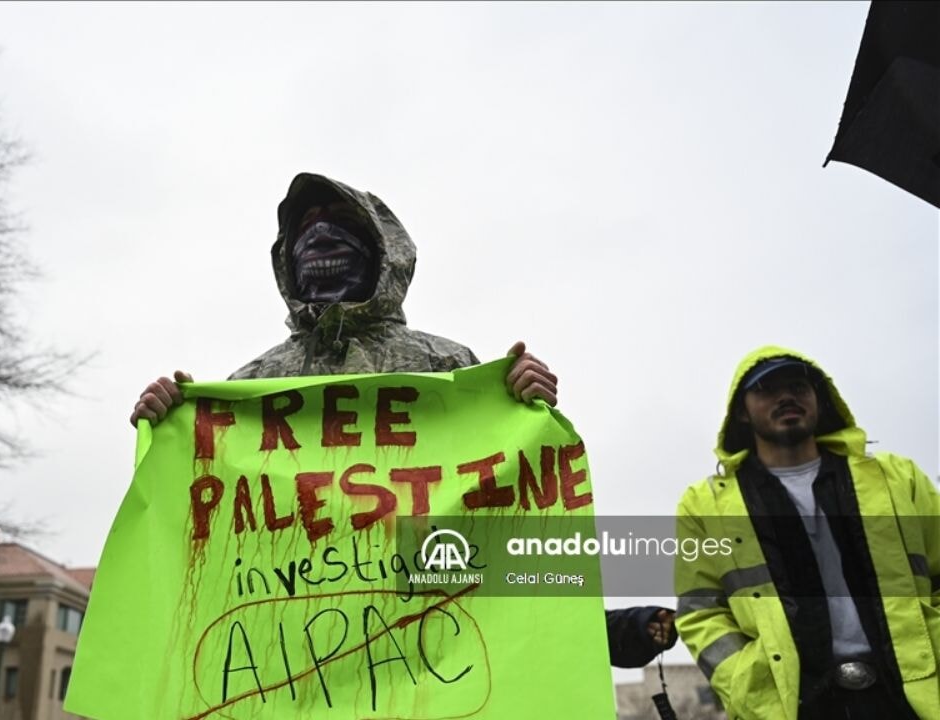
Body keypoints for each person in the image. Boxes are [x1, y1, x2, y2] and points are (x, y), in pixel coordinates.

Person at [129, 171, 676, 668]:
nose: (317, 237)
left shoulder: (448, 367)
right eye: (304, 228)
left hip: (430, 661)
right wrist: (171, 431)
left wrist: (520, 407)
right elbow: (200, 547)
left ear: (381, 250)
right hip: (288, 660)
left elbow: (501, 539)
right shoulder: (248, 389)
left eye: (338, 222)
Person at [674, 347, 940, 719]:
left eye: (799, 386)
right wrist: (747, 685)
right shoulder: (704, 505)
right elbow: (700, 612)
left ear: (820, 398)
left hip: (915, 696)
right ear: (741, 412)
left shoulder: (898, 478)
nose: (787, 397)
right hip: (793, 705)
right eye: (767, 389)